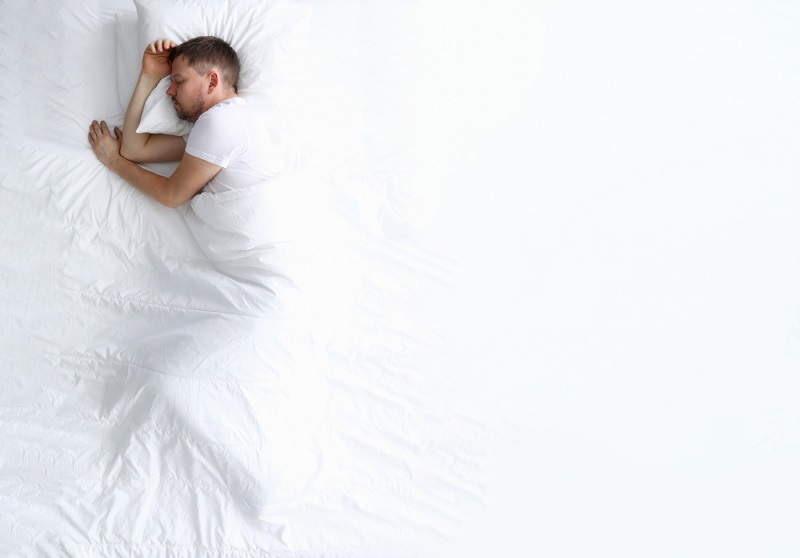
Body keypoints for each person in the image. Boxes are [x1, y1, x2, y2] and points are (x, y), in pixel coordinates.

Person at [88, 36, 276, 207]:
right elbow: (134, 149)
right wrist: (149, 75)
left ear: (212, 82)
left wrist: (113, 160)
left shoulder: (221, 121)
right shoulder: (227, 121)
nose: (170, 91)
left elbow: (171, 196)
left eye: (178, 81)